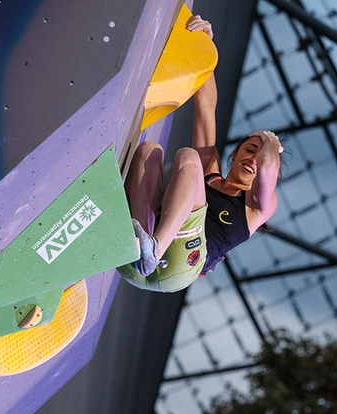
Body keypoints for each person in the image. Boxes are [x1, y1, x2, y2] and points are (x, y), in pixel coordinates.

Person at [117, 15, 283, 293]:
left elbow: (267, 165)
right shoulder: (210, 170)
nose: (253, 160)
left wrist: (271, 142)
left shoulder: (257, 208)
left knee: (188, 156)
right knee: (148, 151)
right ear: (234, 155)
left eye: (259, 155)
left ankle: (155, 247)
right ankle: (142, 240)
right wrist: (204, 43)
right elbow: (206, 107)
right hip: (131, 260)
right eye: (249, 149)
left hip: (180, 266)